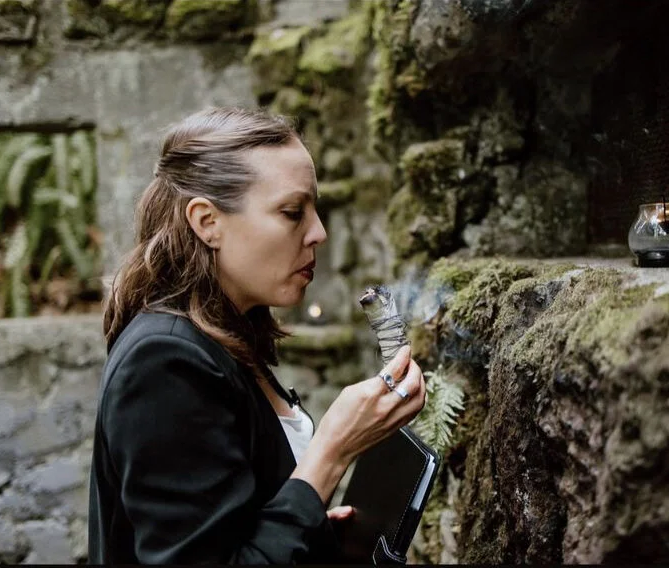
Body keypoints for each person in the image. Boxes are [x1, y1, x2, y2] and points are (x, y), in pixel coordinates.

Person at [87, 107, 426, 564]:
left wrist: (315, 535)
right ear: (207, 222)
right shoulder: (163, 363)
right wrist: (332, 450)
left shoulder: (227, 339)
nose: (319, 233)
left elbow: (238, 528)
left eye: (314, 210)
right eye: (292, 212)